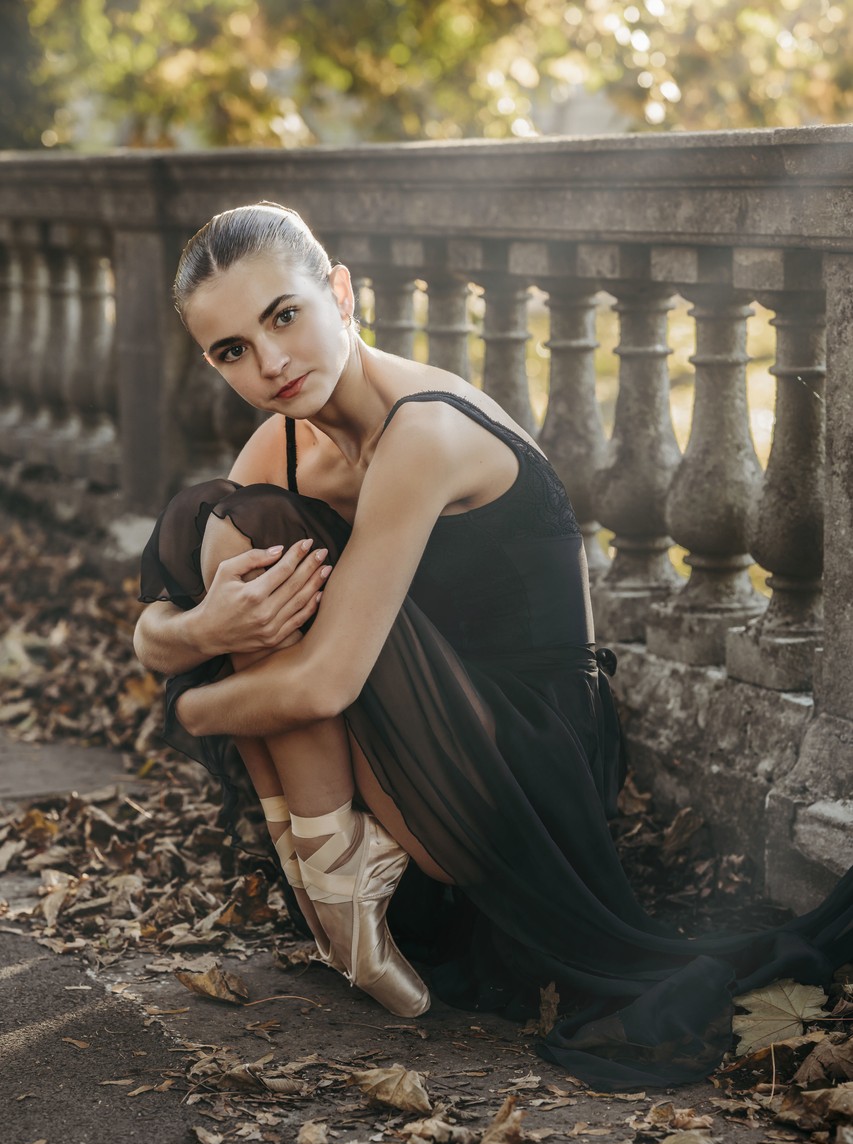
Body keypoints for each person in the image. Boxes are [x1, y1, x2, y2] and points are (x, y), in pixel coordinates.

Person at [135, 201, 853, 1091]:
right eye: (231, 350)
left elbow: (322, 686)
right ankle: (338, 875)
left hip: (518, 777)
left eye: (283, 316)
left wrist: (187, 706)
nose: (269, 363)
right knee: (219, 524)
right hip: (417, 753)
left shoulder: (425, 432)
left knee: (253, 540)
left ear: (341, 293)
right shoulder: (281, 448)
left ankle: (334, 884)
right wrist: (203, 629)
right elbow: (160, 623)